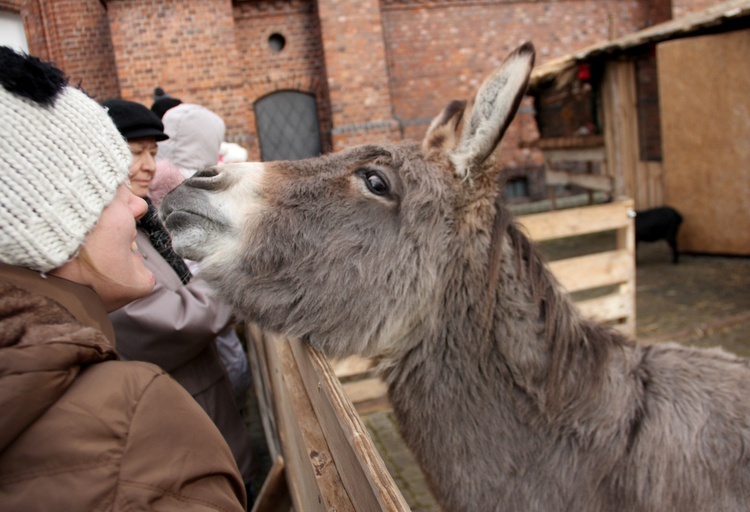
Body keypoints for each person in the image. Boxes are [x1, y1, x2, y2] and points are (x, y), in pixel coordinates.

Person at [0, 47, 246, 510]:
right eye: (109, 191)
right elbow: (181, 319)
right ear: (50, 228)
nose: (138, 205)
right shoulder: (135, 418)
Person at [101, 99, 256, 500]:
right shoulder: (113, 240)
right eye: (136, 153)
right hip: (185, 432)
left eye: (153, 152)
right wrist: (238, 272)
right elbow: (172, 320)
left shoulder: (142, 219)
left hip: (203, 407)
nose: (149, 165)